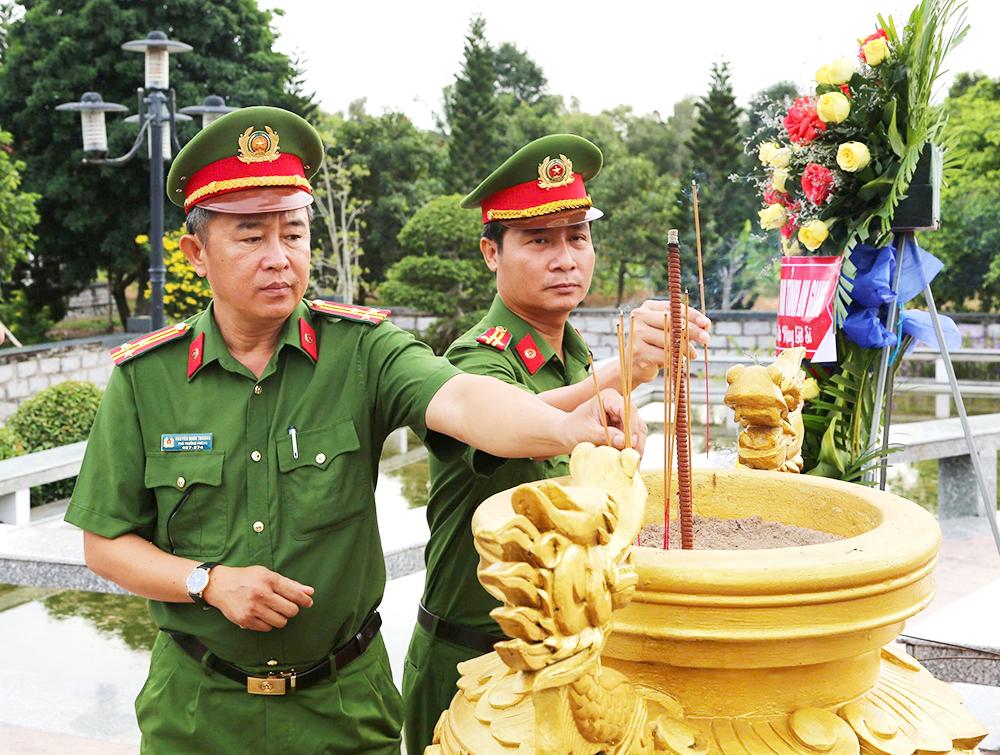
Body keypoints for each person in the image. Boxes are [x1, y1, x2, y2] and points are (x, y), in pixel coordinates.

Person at [65, 109, 644, 755]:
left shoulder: (362, 350)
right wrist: (207, 581)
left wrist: (566, 424)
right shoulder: (149, 377)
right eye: (251, 237)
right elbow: (105, 542)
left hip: (342, 709)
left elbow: (464, 397)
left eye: (294, 232)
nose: (279, 258)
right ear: (196, 252)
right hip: (196, 711)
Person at [401, 134, 712, 752]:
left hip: (572, 661)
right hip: (475, 661)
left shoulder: (574, 355)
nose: (565, 258)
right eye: (538, 241)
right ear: (492, 252)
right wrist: (616, 375)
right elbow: (510, 417)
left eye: (577, 236)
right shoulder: (476, 359)